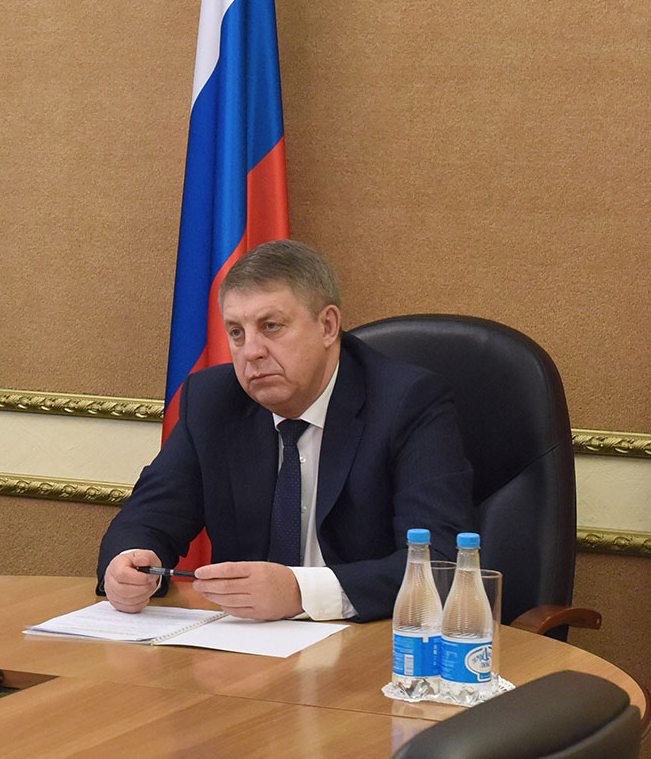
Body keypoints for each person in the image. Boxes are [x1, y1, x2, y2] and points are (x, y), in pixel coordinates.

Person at [98, 240, 471, 622]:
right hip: (244, 644)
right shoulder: (214, 401)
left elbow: (438, 565)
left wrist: (299, 592)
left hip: (369, 641)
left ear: (328, 326)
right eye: (236, 332)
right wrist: (128, 564)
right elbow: (145, 520)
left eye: (270, 326)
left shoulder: (408, 403)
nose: (251, 351)